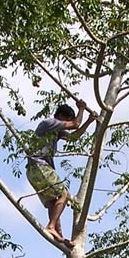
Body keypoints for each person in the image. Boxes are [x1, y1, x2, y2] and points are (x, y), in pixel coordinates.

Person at [25, 100, 93, 246]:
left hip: (34, 170)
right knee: (63, 194)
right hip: (39, 166)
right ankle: (51, 226)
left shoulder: (56, 131)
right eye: (67, 121)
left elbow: (74, 137)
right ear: (61, 116)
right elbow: (75, 124)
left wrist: (88, 121)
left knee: (53, 201)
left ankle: (58, 234)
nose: (67, 126)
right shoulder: (50, 123)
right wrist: (81, 109)